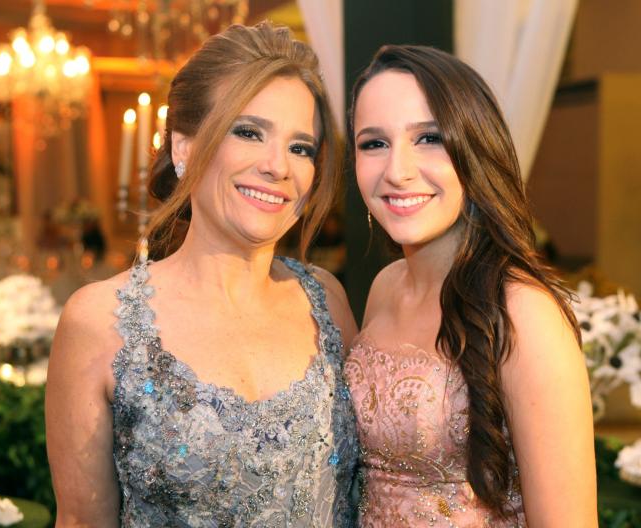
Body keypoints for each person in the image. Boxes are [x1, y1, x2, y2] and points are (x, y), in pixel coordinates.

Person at [46, 22, 359, 526]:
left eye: (300, 147)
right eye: (249, 132)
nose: (278, 166)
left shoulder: (326, 299)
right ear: (184, 147)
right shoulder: (98, 322)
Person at [343, 45, 597, 526]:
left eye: (429, 138)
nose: (397, 171)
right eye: (374, 143)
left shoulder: (522, 311)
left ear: (474, 147)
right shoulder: (384, 288)